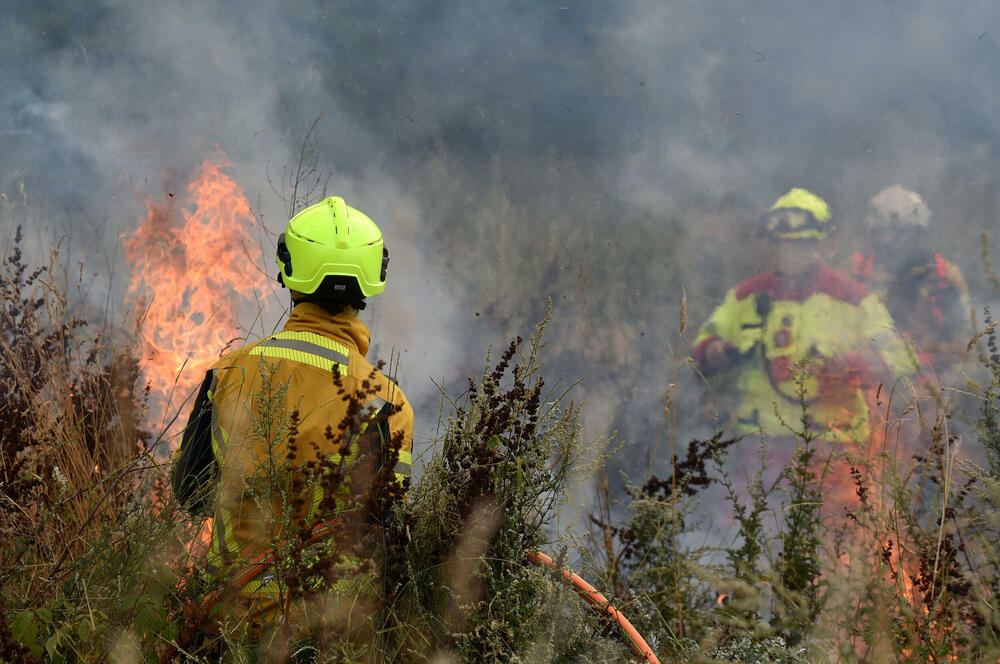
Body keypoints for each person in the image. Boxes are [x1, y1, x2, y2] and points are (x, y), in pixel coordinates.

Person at [171, 196, 414, 652]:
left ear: (288, 272)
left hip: (230, 635)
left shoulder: (227, 375)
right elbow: (387, 534)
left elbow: (190, 493)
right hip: (327, 642)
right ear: (372, 281)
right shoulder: (387, 403)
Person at [692, 188, 914, 445]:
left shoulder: (853, 299)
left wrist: (856, 364)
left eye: (802, 242)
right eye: (783, 242)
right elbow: (700, 350)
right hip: (759, 446)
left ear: (823, 243)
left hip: (834, 447)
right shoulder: (745, 296)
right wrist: (713, 351)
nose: (791, 250)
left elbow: (901, 357)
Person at [850, 185, 972, 377]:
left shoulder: (944, 275)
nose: (894, 243)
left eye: (904, 233)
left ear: (919, 233)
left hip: (928, 379)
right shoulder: (856, 271)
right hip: (868, 378)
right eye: (886, 233)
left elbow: (963, 347)